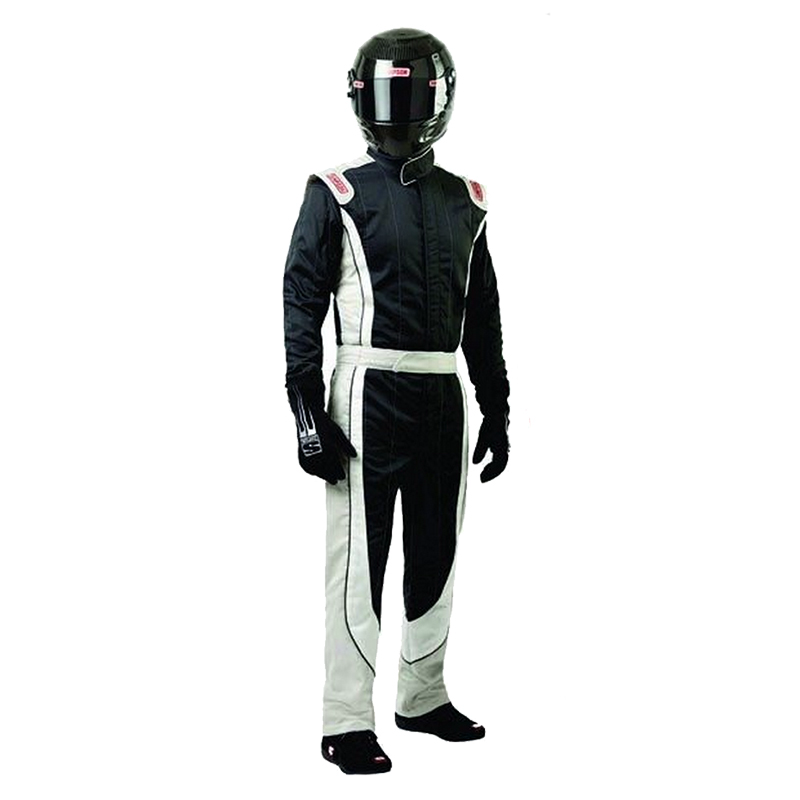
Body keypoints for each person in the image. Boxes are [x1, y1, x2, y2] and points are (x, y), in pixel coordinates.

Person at [283, 27, 510, 775]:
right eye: (385, 93)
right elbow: (301, 299)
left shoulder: (466, 201)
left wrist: (497, 404)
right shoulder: (336, 193)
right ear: (361, 98)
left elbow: (482, 312)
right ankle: (347, 719)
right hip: (366, 391)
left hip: (444, 392)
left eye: (410, 94)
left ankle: (422, 696)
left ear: (439, 99)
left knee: (437, 551)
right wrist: (307, 412)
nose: (398, 110)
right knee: (359, 560)